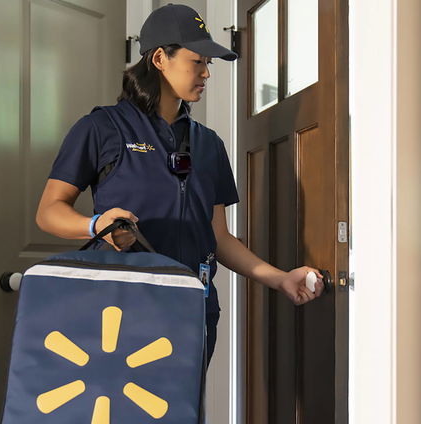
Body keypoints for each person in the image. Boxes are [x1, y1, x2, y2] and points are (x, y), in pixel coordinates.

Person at [35, 4, 324, 364]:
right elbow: (49, 212)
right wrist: (95, 226)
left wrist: (280, 279)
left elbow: (219, 238)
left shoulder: (210, 145)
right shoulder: (101, 128)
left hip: (193, 309)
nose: (206, 73)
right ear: (159, 58)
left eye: (209, 64)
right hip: (122, 311)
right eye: (197, 62)